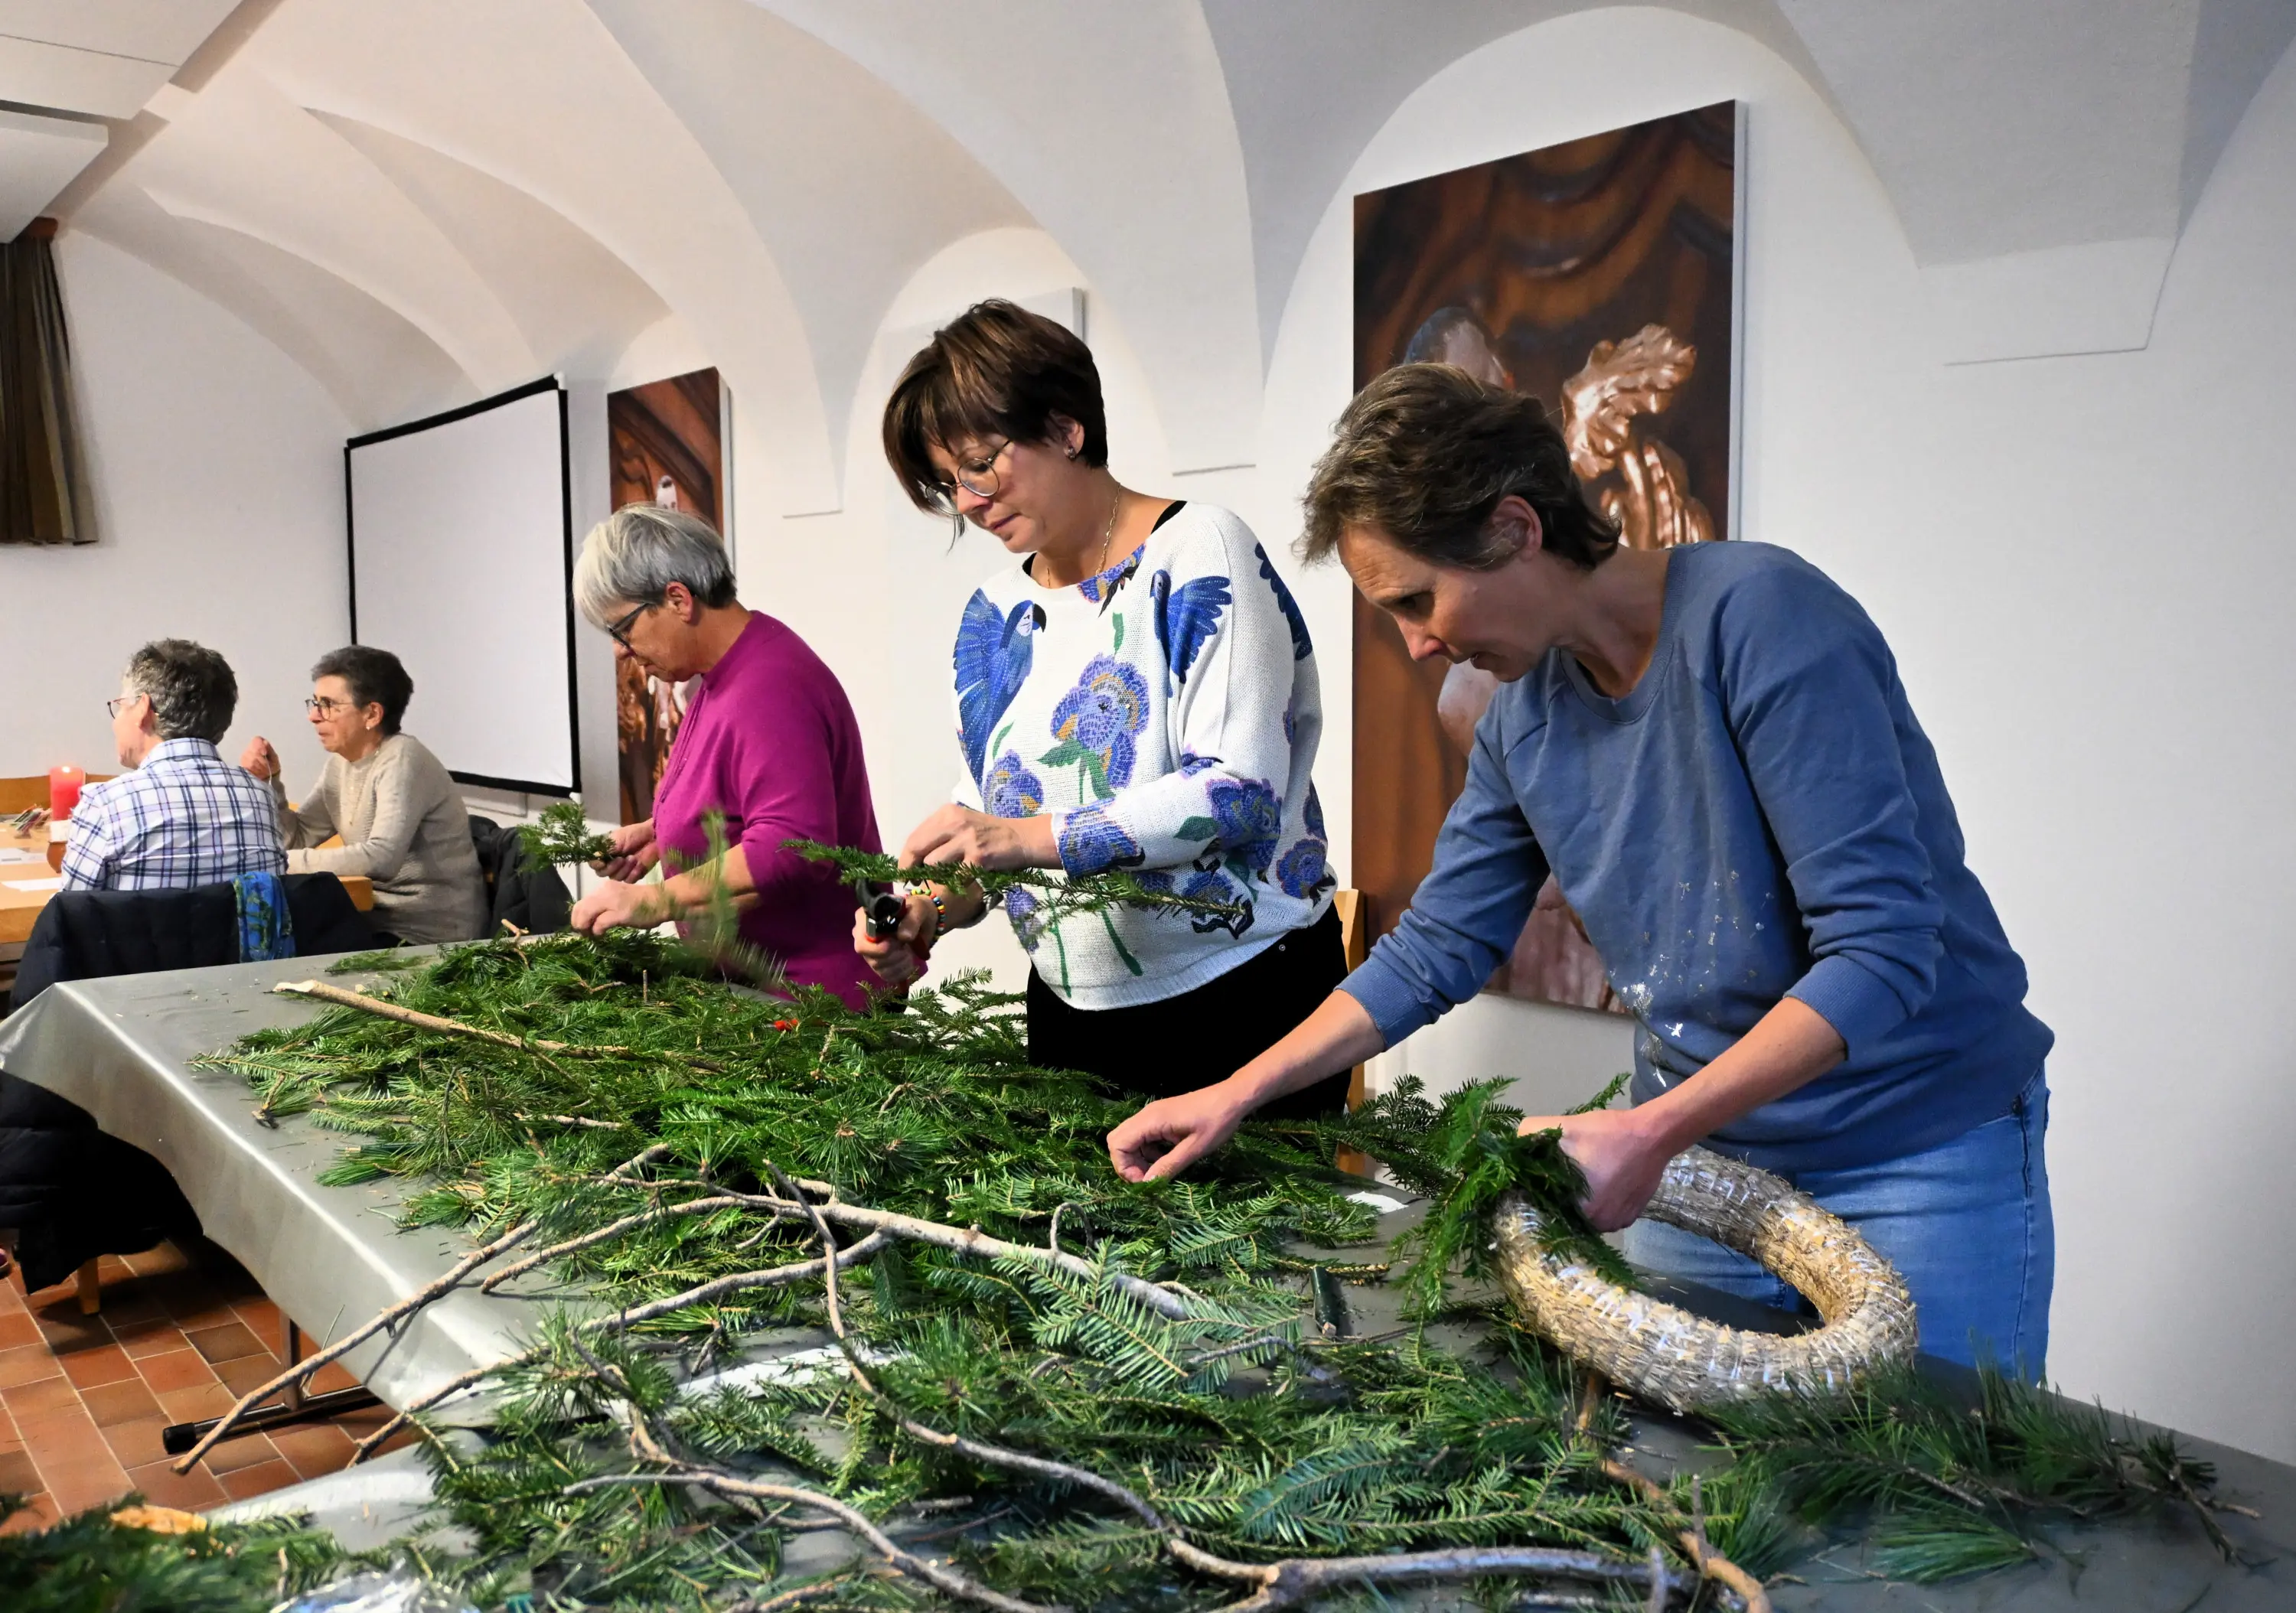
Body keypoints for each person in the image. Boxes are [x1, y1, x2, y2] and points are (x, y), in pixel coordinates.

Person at [1107, 363, 2056, 1376]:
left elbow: (1881, 951)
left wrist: (1650, 1130)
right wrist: (1237, 1091)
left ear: (1516, 528)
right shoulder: (1525, 715)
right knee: (1686, 1486)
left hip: (1911, 1151)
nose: (1418, 644)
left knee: (1931, 1493)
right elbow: (1438, 946)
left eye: (1418, 600)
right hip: (1699, 1162)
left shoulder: (1764, 619)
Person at [860, 298, 1341, 1112]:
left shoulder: (1199, 551)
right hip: (1073, 1013)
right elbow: (995, 814)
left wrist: (1020, 837)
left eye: (980, 463)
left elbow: (1236, 793)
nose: (970, 500)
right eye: (949, 483)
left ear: (1065, 426)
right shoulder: (992, 613)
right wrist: (928, 910)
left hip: (1241, 996)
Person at [567, 503, 884, 1009]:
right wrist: (661, 834)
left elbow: (793, 847)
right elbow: (745, 796)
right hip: (758, 984)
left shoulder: (770, 685)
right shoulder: (721, 674)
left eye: (621, 628)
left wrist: (652, 900)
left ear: (677, 599)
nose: (620, 651)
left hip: (810, 999)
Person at [240, 646, 486, 946]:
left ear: (371, 713)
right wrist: (271, 783)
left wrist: (281, 862)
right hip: (372, 919)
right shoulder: (340, 764)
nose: (314, 717)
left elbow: (382, 858)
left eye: (328, 705)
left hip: (428, 936)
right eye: (315, 703)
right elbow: (298, 837)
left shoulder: (403, 759)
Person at [62, 639, 283, 891]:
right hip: (234, 933)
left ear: (143, 708)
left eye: (121, 706)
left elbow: (70, 917)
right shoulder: (261, 798)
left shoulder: (106, 805)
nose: (115, 722)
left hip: (138, 932)